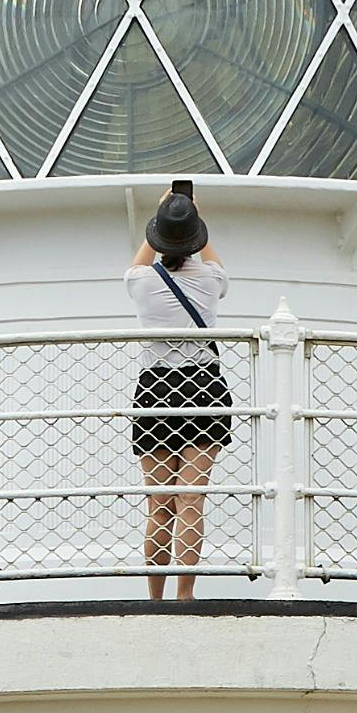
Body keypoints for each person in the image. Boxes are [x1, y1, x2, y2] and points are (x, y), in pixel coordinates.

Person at [126, 180, 230, 600]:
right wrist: (194, 219)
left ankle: (154, 598)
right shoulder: (209, 280)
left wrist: (160, 218)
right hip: (203, 386)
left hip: (155, 389)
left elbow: (136, 264)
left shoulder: (143, 283)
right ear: (195, 237)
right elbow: (217, 265)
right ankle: (185, 595)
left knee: (159, 504)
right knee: (191, 500)